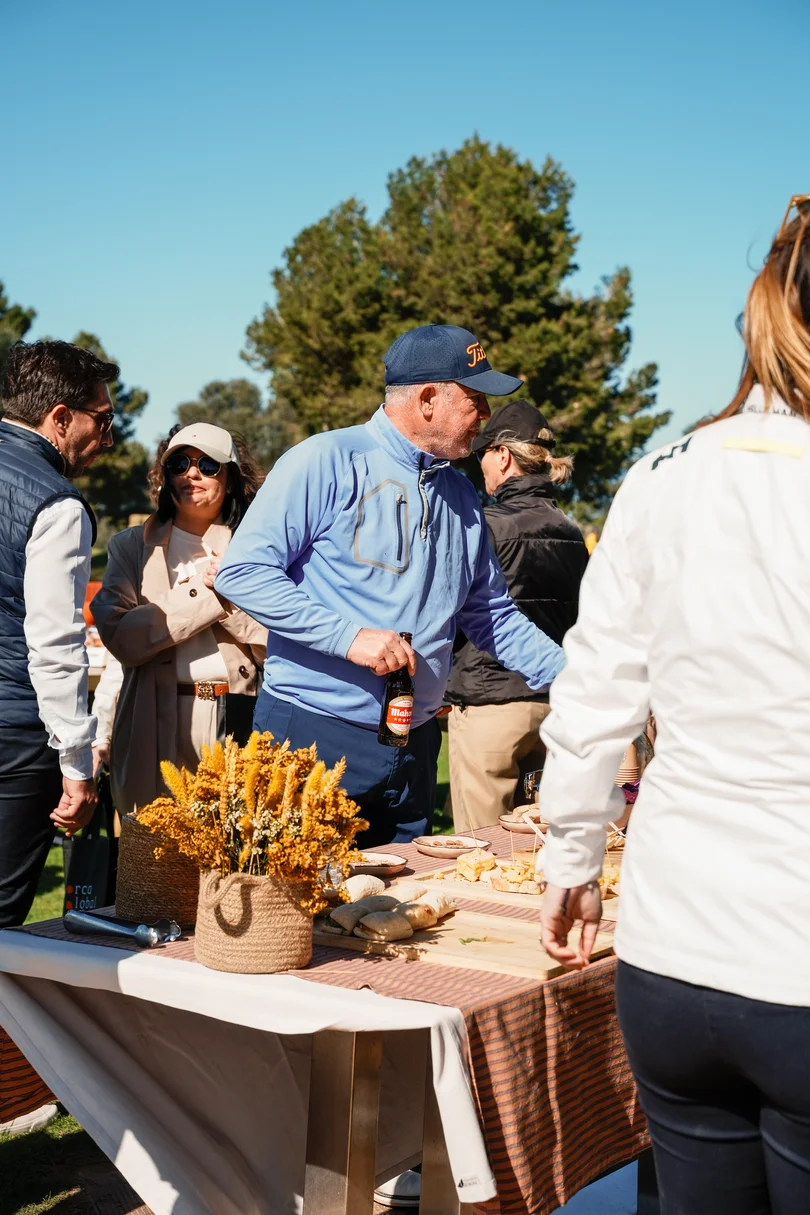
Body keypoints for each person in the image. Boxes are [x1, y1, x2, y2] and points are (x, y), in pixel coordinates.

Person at [538, 195, 810, 1214]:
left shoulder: (662, 475)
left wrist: (569, 860)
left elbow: (596, 688)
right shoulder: (671, 472)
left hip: (676, 948)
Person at [216, 324, 566, 848]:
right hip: (313, 733)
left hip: (415, 745)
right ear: (428, 399)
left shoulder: (463, 496)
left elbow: (491, 616)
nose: (487, 418)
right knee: (294, 920)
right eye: (476, 399)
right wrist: (348, 638)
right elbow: (242, 572)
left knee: (400, 915)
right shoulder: (325, 460)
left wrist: (576, 679)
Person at [91, 423, 266, 816]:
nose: (192, 473)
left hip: (235, 714)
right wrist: (208, 593)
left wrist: (235, 597)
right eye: (179, 463)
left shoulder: (257, 547)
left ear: (231, 477)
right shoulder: (130, 547)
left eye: (208, 464)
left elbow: (281, 638)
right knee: (156, 861)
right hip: (152, 718)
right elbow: (121, 637)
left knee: (231, 860)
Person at [0, 340, 116, 929]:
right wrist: (76, 763)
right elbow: (55, 643)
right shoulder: (57, 503)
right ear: (60, 417)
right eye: (104, 419)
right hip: (14, 736)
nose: (109, 438)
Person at [445, 400, 588, 830]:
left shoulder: (482, 525)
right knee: (540, 847)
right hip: (554, 704)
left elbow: (455, 613)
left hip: (490, 703)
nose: (479, 467)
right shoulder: (572, 531)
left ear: (503, 456)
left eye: (482, 454)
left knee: (480, 851)